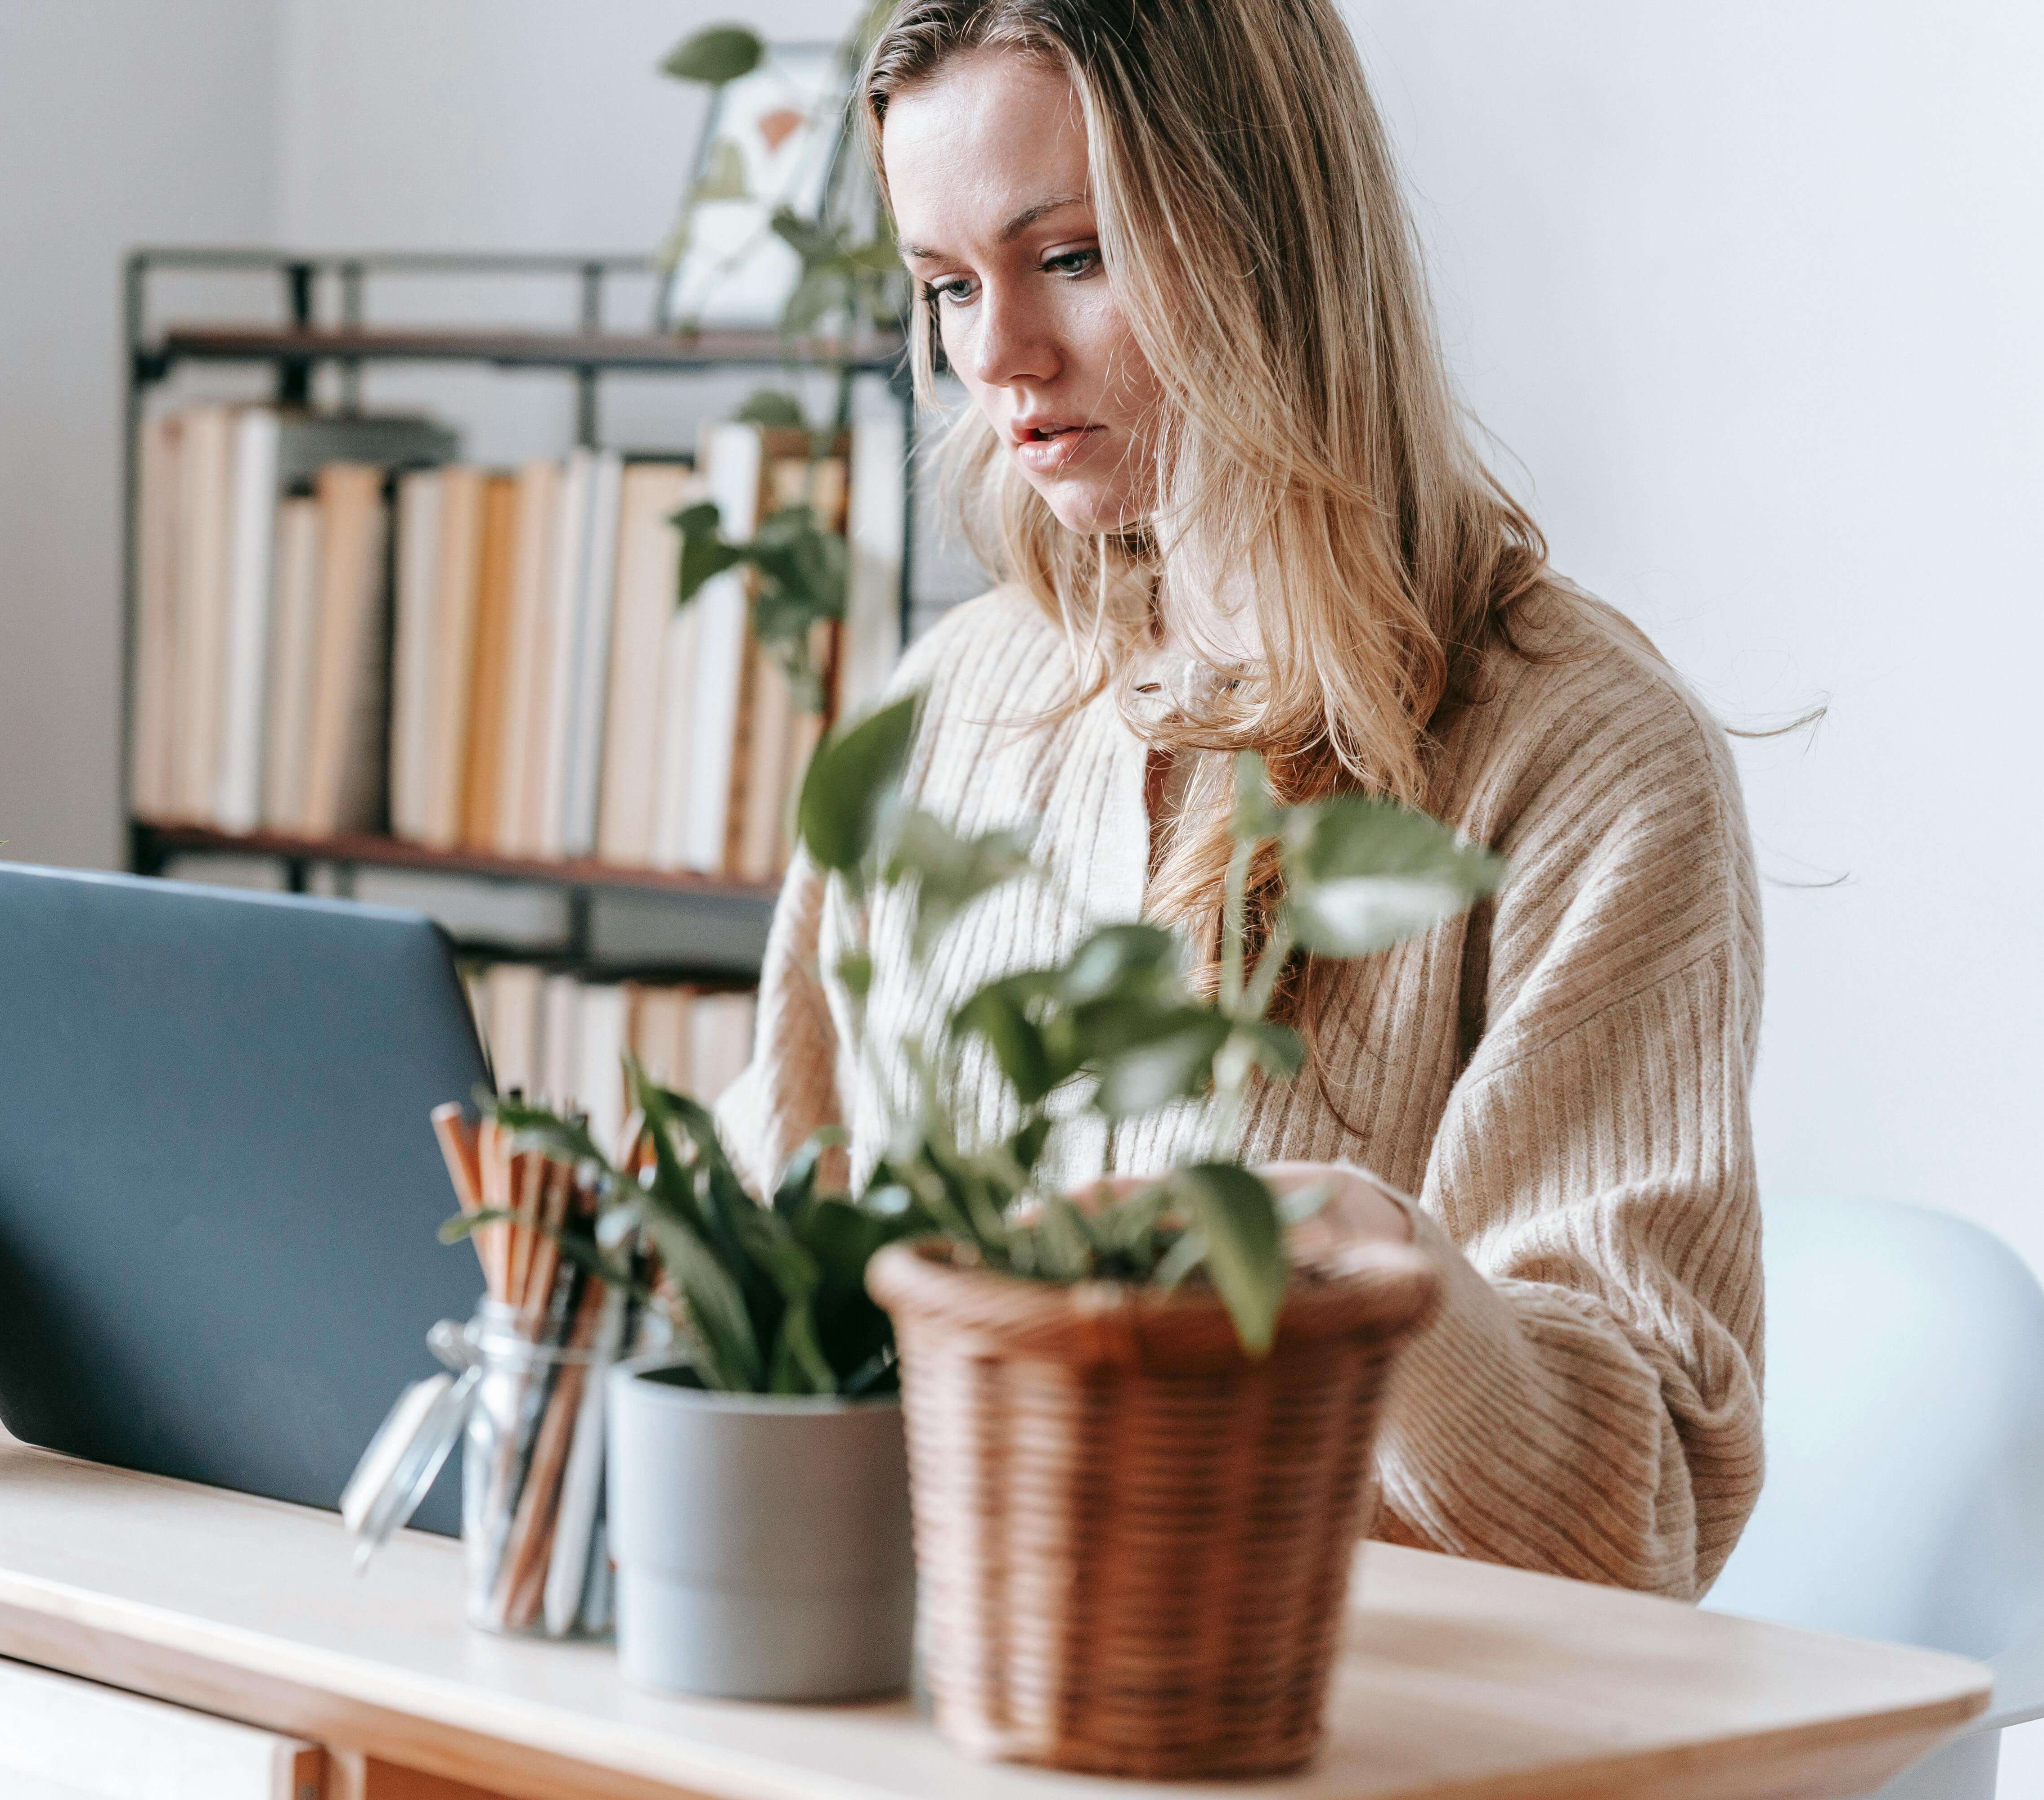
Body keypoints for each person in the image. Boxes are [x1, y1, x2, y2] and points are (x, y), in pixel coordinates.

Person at [715, 0, 1762, 1600]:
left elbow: (1644, 1516)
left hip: (1332, 1726)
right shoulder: (948, 705)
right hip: (934, 1685)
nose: (993, 356)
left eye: (1071, 256)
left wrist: (1387, 1278)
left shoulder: (1586, 767)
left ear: (1266, 228)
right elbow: (782, 1230)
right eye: (944, 288)